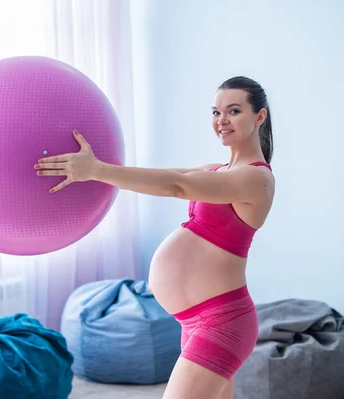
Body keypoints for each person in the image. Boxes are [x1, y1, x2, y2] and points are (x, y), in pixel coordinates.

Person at [34, 76, 275, 399]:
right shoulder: (218, 170)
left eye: (234, 111)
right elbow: (164, 177)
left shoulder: (256, 178)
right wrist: (93, 170)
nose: (222, 121)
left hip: (222, 321)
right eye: (216, 112)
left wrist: (96, 170)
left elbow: (176, 185)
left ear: (259, 116)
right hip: (195, 320)